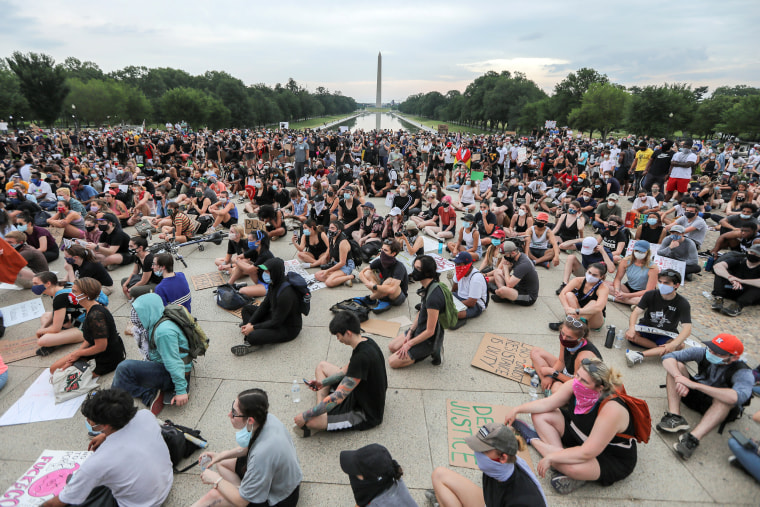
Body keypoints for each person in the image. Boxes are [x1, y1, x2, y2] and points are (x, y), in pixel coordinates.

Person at [506, 358, 637, 494]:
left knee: (572, 468)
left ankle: (533, 439)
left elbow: (587, 452)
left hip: (609, 455)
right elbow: (547, 403)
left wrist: (551, 457)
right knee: (539, 415)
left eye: (584, 381)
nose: (577, 382)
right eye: (577, 376)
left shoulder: (612, 410)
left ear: (600, 387)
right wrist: (517, 409)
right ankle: (562, 463)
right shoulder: (576, 384)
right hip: (580, 433)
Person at [42, 389, 173, 507]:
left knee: (77, 494)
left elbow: (56, 503)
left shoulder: (97, 462)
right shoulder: (146, 415)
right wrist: (105, 435)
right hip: (165, 483)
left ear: (104, 425)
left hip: (142, 503)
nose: (88, 422)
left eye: (89, 419)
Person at [191, 389, 302, 507]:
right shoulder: (267, 418)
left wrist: (216, 480)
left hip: (280, 500)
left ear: (250, 420)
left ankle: (241, 493)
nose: (229, 414)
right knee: (221, 462)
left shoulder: (261, 455)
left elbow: (242, 502)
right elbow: (248, 447)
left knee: (213, 496)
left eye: (234, 412)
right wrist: (220, 455)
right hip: (285, 481)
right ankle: (242, 490)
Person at [657, 334, 753, 460]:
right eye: (711, 347)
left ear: (733, 357)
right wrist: (678, 378)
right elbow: (668, 357)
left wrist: (695, 385)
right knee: (677, 367)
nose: (711, 352)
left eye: (718, 352)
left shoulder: (743, 372)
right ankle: (674, 417)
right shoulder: (704, 352)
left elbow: (737, 397)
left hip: (717, 406)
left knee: (725, 399)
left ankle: (692, 439)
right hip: (693, 394)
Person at [294, 311, 387, 435]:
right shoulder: (366, 341)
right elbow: (345, 370)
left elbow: (337, 397)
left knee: (311, 422)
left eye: (338, 336)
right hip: (359, 390)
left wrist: (305, 415)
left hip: (365, 412)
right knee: (321, 366)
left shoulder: (361, 358)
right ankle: (323, 410)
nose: (338, 339)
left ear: (348, 333)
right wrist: (323, 383)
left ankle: (323, 413)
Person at [111, 293, 192, 415]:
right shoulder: (158, 316)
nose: (134, 317)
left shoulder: (163, 332)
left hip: (171, 373)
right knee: (123, 377)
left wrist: (181, 390)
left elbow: (173, 362)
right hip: (165, 363)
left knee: (124, 368)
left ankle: (114, 404)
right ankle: (144, 392)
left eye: (138, 313)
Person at [430, 422, 546, 507]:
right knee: (439, 475)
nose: (477, 453)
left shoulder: (523, 500)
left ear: (502, 458)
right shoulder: (498, 468)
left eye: (483, 450)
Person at [48, 277, 125, 376]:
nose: (71, 294)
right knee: (53, 369)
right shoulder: (89, 308)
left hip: (106, 357)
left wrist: (78, 354)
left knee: (62, 376)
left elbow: (101, 347)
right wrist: (78, 352)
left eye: (74, 291)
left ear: (85, 295)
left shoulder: (96, 316)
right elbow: (89, 338)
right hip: (93, 349)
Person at [230, 258, 304, 356]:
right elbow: (264, 306)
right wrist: (251, 323)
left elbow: (276, 322)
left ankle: (253, 341)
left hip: (287, 327)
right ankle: (249, 328)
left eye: (267, 271)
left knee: (252, 336)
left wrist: (254, 327)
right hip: (274, 315)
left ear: (275, 272)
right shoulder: (274, 284)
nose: (264, 273)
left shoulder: (286, 294)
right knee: (246, 309)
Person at [624, 269, 691, 367]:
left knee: (680, 345)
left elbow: (687, 328)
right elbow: (636, 312)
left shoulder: (683, 303)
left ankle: (640, 354)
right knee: (630, 335)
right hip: (646, 327)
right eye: (660, 282)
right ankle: (659, 349)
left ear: (676, 285)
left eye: (666, 283)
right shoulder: (650, 294)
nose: (662, 285)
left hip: (666, 333)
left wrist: (673, 344)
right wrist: (631, 328)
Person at [388, 255, 445, 368]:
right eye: (414, 267)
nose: (414, 271)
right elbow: (421, 312)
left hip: (428, 339)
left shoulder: (434, 297)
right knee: (392, 347)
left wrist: (409, 344)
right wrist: (410, 332)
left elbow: (430, 331)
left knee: (392, 362)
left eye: (418, 269)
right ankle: (415, 346)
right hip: (419, 329)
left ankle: (433, 350)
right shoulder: (427, 287)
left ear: (427, 273)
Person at [532, 317, 602, 395]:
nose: (564, 338)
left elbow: (576, 383)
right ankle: (547, 383)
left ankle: (549, 386)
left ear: (581, 340)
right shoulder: (565, 340)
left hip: (580, 386)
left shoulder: (583, 357)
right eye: (562, 333)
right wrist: (549, 376)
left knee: (556, 388)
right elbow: (561, 362)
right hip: (567, 372)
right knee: (535, 352)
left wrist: (553, 373)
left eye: (569, 337)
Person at [340, 443, 417, 507]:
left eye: (357, 472)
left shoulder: (375, 505)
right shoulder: (395, 479)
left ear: (372, 481)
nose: (352, 475)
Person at [32, 271, 85, 356]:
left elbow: (55, 329)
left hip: (89, 328)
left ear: (48, 283)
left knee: (43, 341)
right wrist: (44, 327)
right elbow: (55, 311)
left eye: (36, 284)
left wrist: (41, 331)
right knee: (45, 316)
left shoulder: (60, 297)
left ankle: (59, 340)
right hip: (80, 316)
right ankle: (63, 335)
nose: (34, 287)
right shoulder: (61, 287)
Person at [550, 263, 609, 331]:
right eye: (589, 272)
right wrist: (567, 308)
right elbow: (562, 294)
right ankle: (575, 322)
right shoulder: (578, 280)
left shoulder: (603, 288)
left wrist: (576, 311)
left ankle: (571, 323)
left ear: (601, 277)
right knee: (569, 294)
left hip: (594, 318)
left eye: (594, 275)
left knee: (593, 303)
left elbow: (598, 308)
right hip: (577, 313)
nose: (590, 276)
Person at [356, 239, 408, 312]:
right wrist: (369, 284)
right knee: (367, 272)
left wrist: (374, 287)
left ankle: (370, 299)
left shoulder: (399, 267)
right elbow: (362, 273)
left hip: (397, 296)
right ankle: (381, 298)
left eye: (385, 250)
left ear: (393, 253)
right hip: (384, 287)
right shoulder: (380, 261)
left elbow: (392, 290)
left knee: (389, 281)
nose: (382, 252)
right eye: (382, 249)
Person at [710, 243, 760, 316]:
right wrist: (730, 278)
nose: (752, 255)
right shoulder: (740, 259)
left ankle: (738, 306)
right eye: (751, 252)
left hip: (747, 293)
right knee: (721, 273)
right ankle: (719, 298)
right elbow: (718, 266)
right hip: (732, 287)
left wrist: (740, 280)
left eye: (756, 254)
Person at [608, 240, 658, 306]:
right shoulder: (625, 261)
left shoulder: (653, 267)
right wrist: (617, 289)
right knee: (604, 285)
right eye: (637, 251)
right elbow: (618, 279)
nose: (639, 253)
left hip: (643, 292)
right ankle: (633, 302)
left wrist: (626, 295)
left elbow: (649, 290)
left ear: (647, 252)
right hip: (629, 287)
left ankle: (615, 299)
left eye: (642, 251)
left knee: (645, 298)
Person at [492, 241, 540, 306]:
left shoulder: (523, 264)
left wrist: (506, 269)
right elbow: (504, 274)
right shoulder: (516, 257)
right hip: (519, 285)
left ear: (513, 252)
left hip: (528, 296)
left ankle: (498, 292)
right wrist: (508, 267)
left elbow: (509, 284)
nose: (505, 257)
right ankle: (503, 295)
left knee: (502, 290)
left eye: (505, 255)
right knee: (497, 272)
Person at [315, 219, 357, 288]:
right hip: (336, 263)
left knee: (329, 282)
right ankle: (343, 279)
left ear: (339, 231)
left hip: (346, 266)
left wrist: (328, 271)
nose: (330, 230)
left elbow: (342, 263)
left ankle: (353, 276)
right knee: (317, 275)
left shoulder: (343, 242)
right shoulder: (331, 238)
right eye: (329, 228)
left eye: (332, 228)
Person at [451, 251, 488, 324]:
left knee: (455, 313)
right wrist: (449, 297)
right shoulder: (459, 271)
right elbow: (454, 288)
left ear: (468, 265)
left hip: (476, 304)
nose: (456, 266)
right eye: (456, 264)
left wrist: (454, 305)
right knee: (440, 297)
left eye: (459, 264)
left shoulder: (476, 278)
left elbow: (471, 302)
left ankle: (460, 317)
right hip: (461, 297)